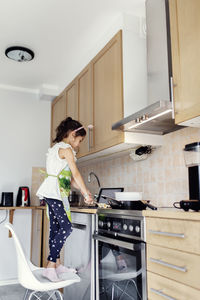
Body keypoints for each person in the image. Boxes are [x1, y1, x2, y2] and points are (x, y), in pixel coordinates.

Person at [36, 117, 93, 282]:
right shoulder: (66, 149)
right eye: (80, 140)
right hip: (54, 192)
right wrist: (86, 191)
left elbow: (71, 180)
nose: (79, 144)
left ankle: (57, 265)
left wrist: (84, 192)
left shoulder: (55, 149)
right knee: (66, 227)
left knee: (55, 229)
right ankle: (50, 265)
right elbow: (75, 173)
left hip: (53, 192)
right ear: (72, 135)